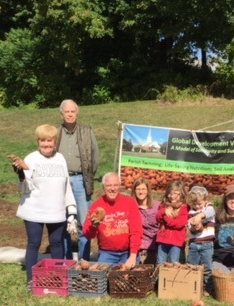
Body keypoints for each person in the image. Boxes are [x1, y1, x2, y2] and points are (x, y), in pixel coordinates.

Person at [11, 125, 77, 289]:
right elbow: (25, 188)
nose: (46, 145)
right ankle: (31, 279)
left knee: (57, 243)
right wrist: (21, 174)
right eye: (42, 141)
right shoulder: (31, 159)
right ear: (38, 141)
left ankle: (57, 278)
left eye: (49, 141)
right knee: (34, 243)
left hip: (56, 210)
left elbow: (66, 186)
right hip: (34, 210)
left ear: (55, 141)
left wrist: (71, 210)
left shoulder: (60, 159)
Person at [57, 99, 99, 261]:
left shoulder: (86, 132)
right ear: (61, 114)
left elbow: (95, 157)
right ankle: (66, 261)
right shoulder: (55, 133)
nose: (70, 114)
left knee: (84, 222)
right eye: (66, 112)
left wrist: (88, 175)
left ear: (77, 113)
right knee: (62, 222)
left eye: (72, 111)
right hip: (61, 181)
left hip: (81, 180)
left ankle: (83, 260)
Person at [82, 172, 142, 268]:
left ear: (120, 186)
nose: (112, 189)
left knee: (131, 276)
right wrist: (93, 226)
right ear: (103, 187)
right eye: (109, 185)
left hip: (128, 252)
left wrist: (133, 255)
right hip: (107, 253)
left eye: (115, 185)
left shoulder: (130, 202)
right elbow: (87, 234)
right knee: (103, 276)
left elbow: (136, 231)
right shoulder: (97, 206)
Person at [186, 185, 216, 292]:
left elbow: (210, 213)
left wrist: (199, 216)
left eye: (199, 204)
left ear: (205, 201)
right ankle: (191, 286)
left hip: (207, 244)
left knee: (207, 267)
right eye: (194, 204)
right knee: (191, 265)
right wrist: (195, 228)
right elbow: (189, 226)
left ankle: (207, 288)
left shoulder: (209, 208)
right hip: (194, 243)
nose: (197, 206)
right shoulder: (191, 212)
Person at [156, 181, 189, 265]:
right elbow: (157, 218)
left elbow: (180, 223)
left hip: (176, 241)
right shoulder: (163, 206)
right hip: (162, 239)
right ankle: (159, 274)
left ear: (181, 194)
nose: (172, 196)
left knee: (174, 262)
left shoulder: (184, 207)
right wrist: (163, 211)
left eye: (175, 194)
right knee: (160, 262)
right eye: (170, 194)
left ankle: (172, 274)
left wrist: (166, 219)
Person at [131, 178, 160, 265]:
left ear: (148, 190)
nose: (141, 192)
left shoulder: (157, 206)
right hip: (139, 246)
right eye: (138, 189)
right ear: (134, 191)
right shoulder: (132, 207)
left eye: (143, 189)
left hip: (156, 245)